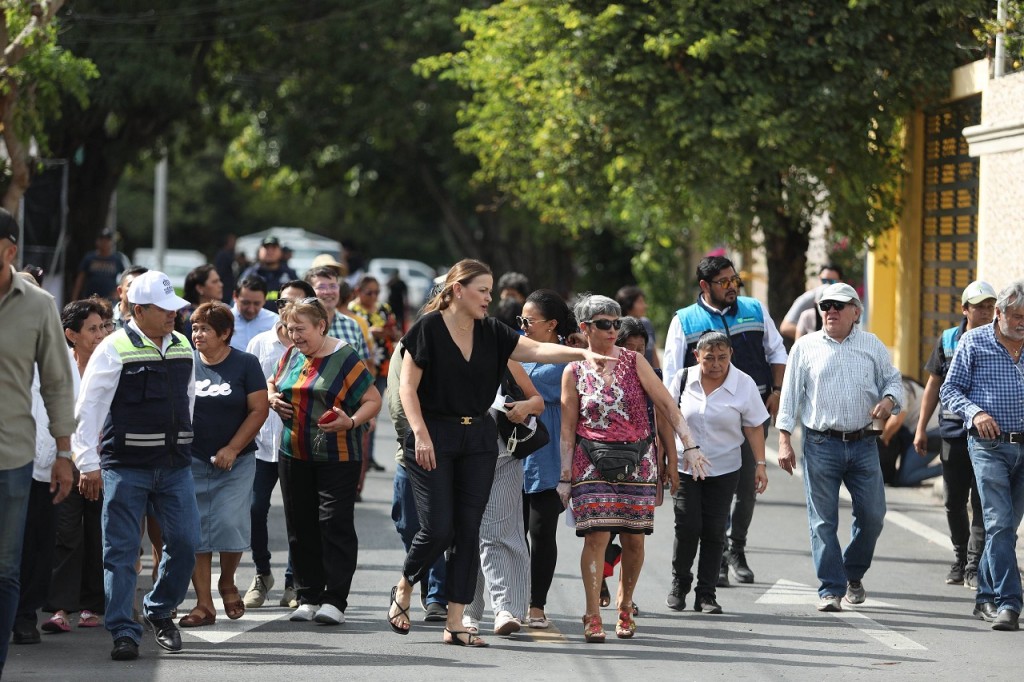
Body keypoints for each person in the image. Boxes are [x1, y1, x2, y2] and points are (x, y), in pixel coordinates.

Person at [386, 259, 612, 648]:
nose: (489, 298)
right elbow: (407, 387)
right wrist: (420, 434)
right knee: (439, 528)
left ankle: (456, 621)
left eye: (491, 291)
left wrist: (582, 355)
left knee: (469, 529)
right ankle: (405, 586)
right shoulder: (428, 329)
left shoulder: (491, 331)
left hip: (478, 439)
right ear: (458, 290)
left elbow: (536, 350)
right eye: (483, 290)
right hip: (433, 436)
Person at [73, 270, 201, 661]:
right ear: (139, 310)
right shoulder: (113, 347)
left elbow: (188, 400)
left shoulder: (181, 344)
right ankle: (123, 631)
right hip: (126, 467)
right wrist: (87, 463)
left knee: (186, 543)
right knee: (122, 551)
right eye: (164, 309)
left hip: (175, 467)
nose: (173, 315)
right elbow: (89, 408)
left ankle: (159, 609)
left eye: (175, 308)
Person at [561, 294, 701, 643]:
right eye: (604, 324)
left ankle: (625, 606)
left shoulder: (634, 361)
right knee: (596, 537)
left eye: (616, 323)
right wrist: (564, 477)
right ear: (585, 328)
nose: (613, 329)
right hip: (590, 462)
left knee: (634, 539)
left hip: (638, 461)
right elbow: (567, 428)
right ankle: (592, 615)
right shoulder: (573, 369)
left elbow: (666, 405)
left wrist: (689, 445)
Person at [777, 282, 903, 613]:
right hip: (820, 443)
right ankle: (831, 588)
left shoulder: (871, 344)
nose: (830, 311)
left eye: (838, 305)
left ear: (856, 312)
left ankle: (852, 573)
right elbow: (789, 397)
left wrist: (889, 400)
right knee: (823, 521)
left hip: (864, 442)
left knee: (873, 515)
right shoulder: (805, 347)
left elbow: (893, 381)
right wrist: (784, 440)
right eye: (825, 306)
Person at [662, 255, 786, 586]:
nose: (732, 287)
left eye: (735, 280)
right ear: (704, 285)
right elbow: (671, 376)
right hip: (700, 420)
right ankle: (714, 557)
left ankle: (736, 549)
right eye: (724, 282)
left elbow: (777, 351)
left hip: (750, 416)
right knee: (707, 493)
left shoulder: (755, 310)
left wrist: (776, 390)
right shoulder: (685, 320)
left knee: (746, 488)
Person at [267, 298, 382, 625]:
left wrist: (352, 421)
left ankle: (335, 600)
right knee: (300, 525)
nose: (294, 335)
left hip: (338, 455)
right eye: (290, 329)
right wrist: (272, 396)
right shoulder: (292, 354)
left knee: (334, 523)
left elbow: (372, 399)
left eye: (300, 329)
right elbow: (274, 381)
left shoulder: (344, 356)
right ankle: (308, 596)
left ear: (321, 326)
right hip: (293, 453)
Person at [0, 212, 76, 675]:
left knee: (7, 568)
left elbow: (57, 383)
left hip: (13, 456)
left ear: (9, 250)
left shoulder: (39, 305)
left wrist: (64, 453)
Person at [19, 301, 109, 643]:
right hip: (63, 462)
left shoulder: (112, 361)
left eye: (103, 327)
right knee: (65, 534)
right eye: (92, 329)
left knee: (99, 534)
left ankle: (93, 605)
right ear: (71, 335)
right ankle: (60, 607)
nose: (100, 335)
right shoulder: (56, 366)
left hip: (104, 462)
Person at [939, 280, 1024, 632]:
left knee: (1004, 529)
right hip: (989, 446)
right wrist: (975, 413)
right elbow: (949, 389)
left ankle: (984, 597)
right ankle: (1010, 603)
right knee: (999, 524)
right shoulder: (973, 341)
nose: (1022, 322)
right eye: (1017, 316)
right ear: (999, 313)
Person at [177, 302, 268, 628]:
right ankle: (204, 605)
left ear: (225, 333)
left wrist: (232, 447)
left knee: (230, 524)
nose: (197, 334)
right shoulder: (185, 363)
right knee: (195, 532)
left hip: (236, 462)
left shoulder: (245, 363)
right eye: (195, 328)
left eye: (205, 329)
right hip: (191, 460)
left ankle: (227, 581)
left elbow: (259, 409)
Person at [667, 331, 769, 615]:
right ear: (696, 356)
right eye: (709, 358)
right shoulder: (683, 379)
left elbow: (754, 426)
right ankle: (679, 583)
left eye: (722, 357)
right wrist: (667, 460)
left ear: (731, 355)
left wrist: (760, 465)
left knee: (714, 531)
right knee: (687, 526)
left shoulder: (743, 383)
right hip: (686, 467)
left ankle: (706, 593)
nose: (716, 364)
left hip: (725, 468)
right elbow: (667, 417)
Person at [914, 280, 996, 589]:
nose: (986, 312)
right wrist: (921, 428)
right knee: (953, 500)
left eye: (990, 307)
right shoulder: (948, 340)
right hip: (953, 433)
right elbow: (933, 385)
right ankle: (961, 556)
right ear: (965, 310)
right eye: (979, 307)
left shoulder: (1000, 339)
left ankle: (974, 563)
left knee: (982, 500)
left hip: (987, 434)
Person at [242, 280, 315, 611]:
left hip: (297, 443)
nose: (288, 309)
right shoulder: (260, 343)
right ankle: (262, 572)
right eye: (283, 302)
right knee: (255, 509)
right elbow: (248, 390)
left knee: (297, 515)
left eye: (297, 302)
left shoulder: (313, 344)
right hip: (260, 443)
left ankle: (292, 581)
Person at [464, 361, 543, 636]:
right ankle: (467, 610)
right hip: (459, 459)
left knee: (497, 534)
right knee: (465, 535)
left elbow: (537, 402)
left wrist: (524, 407)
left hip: (504, 457)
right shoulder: (445, 354)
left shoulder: (505, 359)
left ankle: (505, 608)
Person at [518, 290, 575, 629]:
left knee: (541, 531)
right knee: (511, 533)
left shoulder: (569, 356)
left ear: (552, 324)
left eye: (529, 320)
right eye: (521, 320)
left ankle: (536, 605)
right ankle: (512, 600)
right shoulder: (516, 349)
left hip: (550, 449)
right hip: (513, 449)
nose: (523, 326)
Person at [387, 342, 449, 623]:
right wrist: (413, 444)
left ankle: (437, 594)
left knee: (437, 526)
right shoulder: (410, 345)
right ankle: (418, 575)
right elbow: (398, 401)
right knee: (407, 523)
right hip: (411, 451)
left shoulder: (468, 340)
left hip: (450, 452)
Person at [349, 275, 400, 471]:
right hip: (359, 367)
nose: (373, 297)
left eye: (377, 292)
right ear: (358, 291)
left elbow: (396, 332)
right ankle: (358, 453)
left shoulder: (383, 309)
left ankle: (368, 455)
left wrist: (388, 333)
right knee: (358, 410)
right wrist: (370, 331)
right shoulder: (352, 310)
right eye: (369, 292)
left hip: (382, 366)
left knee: (373, 411)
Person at [779, 264, 844, 340]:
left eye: (832, 281)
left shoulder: (846, 300)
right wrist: (813, 339)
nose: (827, 285)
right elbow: (785, 327)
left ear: (840, 282)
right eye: (824, 281)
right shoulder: (807, 301)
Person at [239, 236, 299, 311]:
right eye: (266, 248)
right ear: (259, 251)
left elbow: (299, 299)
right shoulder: (250, 274)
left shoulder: (290, 274)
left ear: (280, 251)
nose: (270, 251)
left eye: (274, 248)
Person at [70, 228, 129, 302]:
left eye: (107, 240)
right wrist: (74, 299)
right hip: (91, 299)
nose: (104, 243)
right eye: (102, 240)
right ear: (97, 241)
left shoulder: (117, 259)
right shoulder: (89, 258)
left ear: (111, 242)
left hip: (109, 300)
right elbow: (80, 280)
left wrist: (117, 292)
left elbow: (126, 277)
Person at [230, 275, 279, 351]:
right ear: (235, 296)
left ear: (265, 300)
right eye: (246, 303)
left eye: (257, 304)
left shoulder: (275, 322)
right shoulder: (223, 320)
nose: (251, 310)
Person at [615, 285, 660, 368]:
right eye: (640, 302)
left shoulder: (646, 323)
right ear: (628, 304)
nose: (645, 306)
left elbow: (653, 352)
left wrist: (657, 372)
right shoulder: (617, 327)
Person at [180, 264, 225, 339]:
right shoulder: (186, 317)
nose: (221, 285)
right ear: (200, 288)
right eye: (214, 282)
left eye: (219, 280)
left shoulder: (224, 311)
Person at [214, 234, 238, 304]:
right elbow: (219, 273)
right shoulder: (223, 255)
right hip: (224, 290)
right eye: (233, 241)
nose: (235, 244)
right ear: (228, 242)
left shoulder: (229, 254)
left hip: (229, 290)